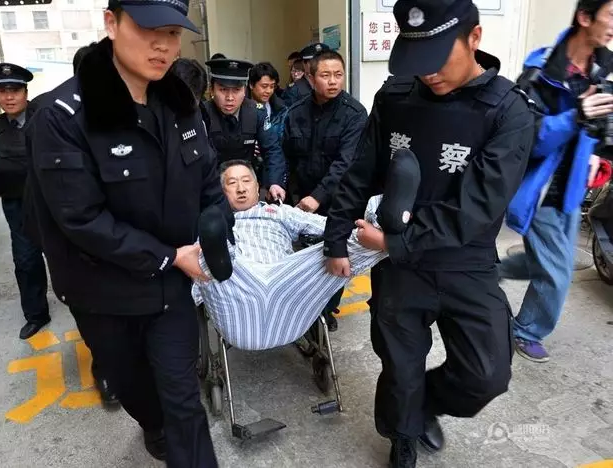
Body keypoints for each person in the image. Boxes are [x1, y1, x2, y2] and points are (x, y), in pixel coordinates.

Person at [323, 1, 536, 466]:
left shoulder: (508, 111)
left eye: (439, 57)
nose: (429, 73)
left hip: (465, 260)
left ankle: (425, 406)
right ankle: (402, 437)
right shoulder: (396, 97)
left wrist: (394, 242)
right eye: (419, 60)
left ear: (474, 38)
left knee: (486, 374)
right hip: (401, 268)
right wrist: (336, 237)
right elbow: (360, 171)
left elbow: (477, 207)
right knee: (400, 366)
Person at [28, 1, 230, 465]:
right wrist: (167, 255)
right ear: (111, 23)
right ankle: (153, 425)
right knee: (133, 388)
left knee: (184, 400)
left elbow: (207, 181)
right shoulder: (62, 116)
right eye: (147, 28)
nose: (163, 45)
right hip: (104, 292)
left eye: (173, 33)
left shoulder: (182, 104)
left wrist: (217, 231)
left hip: (172, 287)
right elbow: (81, 219)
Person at [192, 151, 419, 351]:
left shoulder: (279, 211)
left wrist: (351, 233)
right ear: (221, 191)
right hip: (238, 290)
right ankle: (220, 256)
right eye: (232, 183)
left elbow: (327, 226)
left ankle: (387, 220)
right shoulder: (215, 223)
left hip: (288, 284)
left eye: (246, 181)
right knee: (211, 251)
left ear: (257, 185)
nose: (241, 188)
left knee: (342, 246)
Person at [500, 0, 613, 363]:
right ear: (585, 17)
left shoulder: (604, 69)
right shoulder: (541, 72)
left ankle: (493, 271)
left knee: (549, 262)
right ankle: (525, 330)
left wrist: (600, 154)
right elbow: (528, 139)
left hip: (573, 188)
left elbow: (603, 127)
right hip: (540, 190)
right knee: (558, 272)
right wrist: (575, 116)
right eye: (611, 15)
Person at [283, 48, 368, 332]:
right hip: (301, 200)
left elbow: (345, 164)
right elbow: (287, 156)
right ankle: (305, 310)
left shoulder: (355, 114)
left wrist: (317, 197)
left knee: (335, 255)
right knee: (303, 258)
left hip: (338, 201)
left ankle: (327, 309)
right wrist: (288, 194)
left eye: (338, 75)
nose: (333, 81)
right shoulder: (296, 112)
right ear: (310, 77)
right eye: (325, 75)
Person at [0, 62, 50, 341]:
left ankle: (87, 305)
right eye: (2, 91)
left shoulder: (45, 118)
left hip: (50, 202)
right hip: (16, 204)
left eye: (15, 90)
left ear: (25, 92)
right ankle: (36, 315)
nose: (9, 97)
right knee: (26, 260)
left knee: (68, 255)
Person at [203, 58, 286, 200]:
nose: (230, 98)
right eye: (223, 90)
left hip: (245, 184)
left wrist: (275, 182)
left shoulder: (256, 112)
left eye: (236, 90)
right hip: (212, 185)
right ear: (212, 89)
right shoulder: (202, 114)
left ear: (245, 89)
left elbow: (272, 149)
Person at [283, 42, 331, 107]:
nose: (320, 65)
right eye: (314, 61)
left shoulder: (332, 84)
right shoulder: (294, 90)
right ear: (304, 64)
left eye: (324, 61)